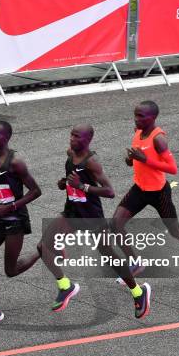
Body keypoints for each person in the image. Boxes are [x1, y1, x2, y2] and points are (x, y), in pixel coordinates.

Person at [37, 124, 151, 318]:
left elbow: (110, 192)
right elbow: (73, 180)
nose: (72, 139)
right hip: (72, 212)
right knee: (43, 246)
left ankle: (139, 293)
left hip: (91, 217)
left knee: (109, 256)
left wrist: (81, 186)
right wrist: (65, 183)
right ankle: (66, 286)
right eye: (71, 135)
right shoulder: (70, 154)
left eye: (77, 136)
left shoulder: (92, 162)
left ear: (88, 140)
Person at [111, 101, 179, 284]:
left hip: (159, 193)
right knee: (115, 224)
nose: (137, 119)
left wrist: (144, 159)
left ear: (153, 118)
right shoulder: (137, 132)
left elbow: (172, 168)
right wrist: (132, 160)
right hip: (139, 189)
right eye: (135, 115)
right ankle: (135, 263)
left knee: (176, 231)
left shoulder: (159, 139)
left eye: (141, 116)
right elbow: (138, 159)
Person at [0, 121, 42, 323]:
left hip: (14, 219)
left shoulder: (15, 162)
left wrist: (9, 208)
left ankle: (41, 250)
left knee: (10, 271)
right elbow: (1, 187)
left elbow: (36, 191)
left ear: (7, 138)